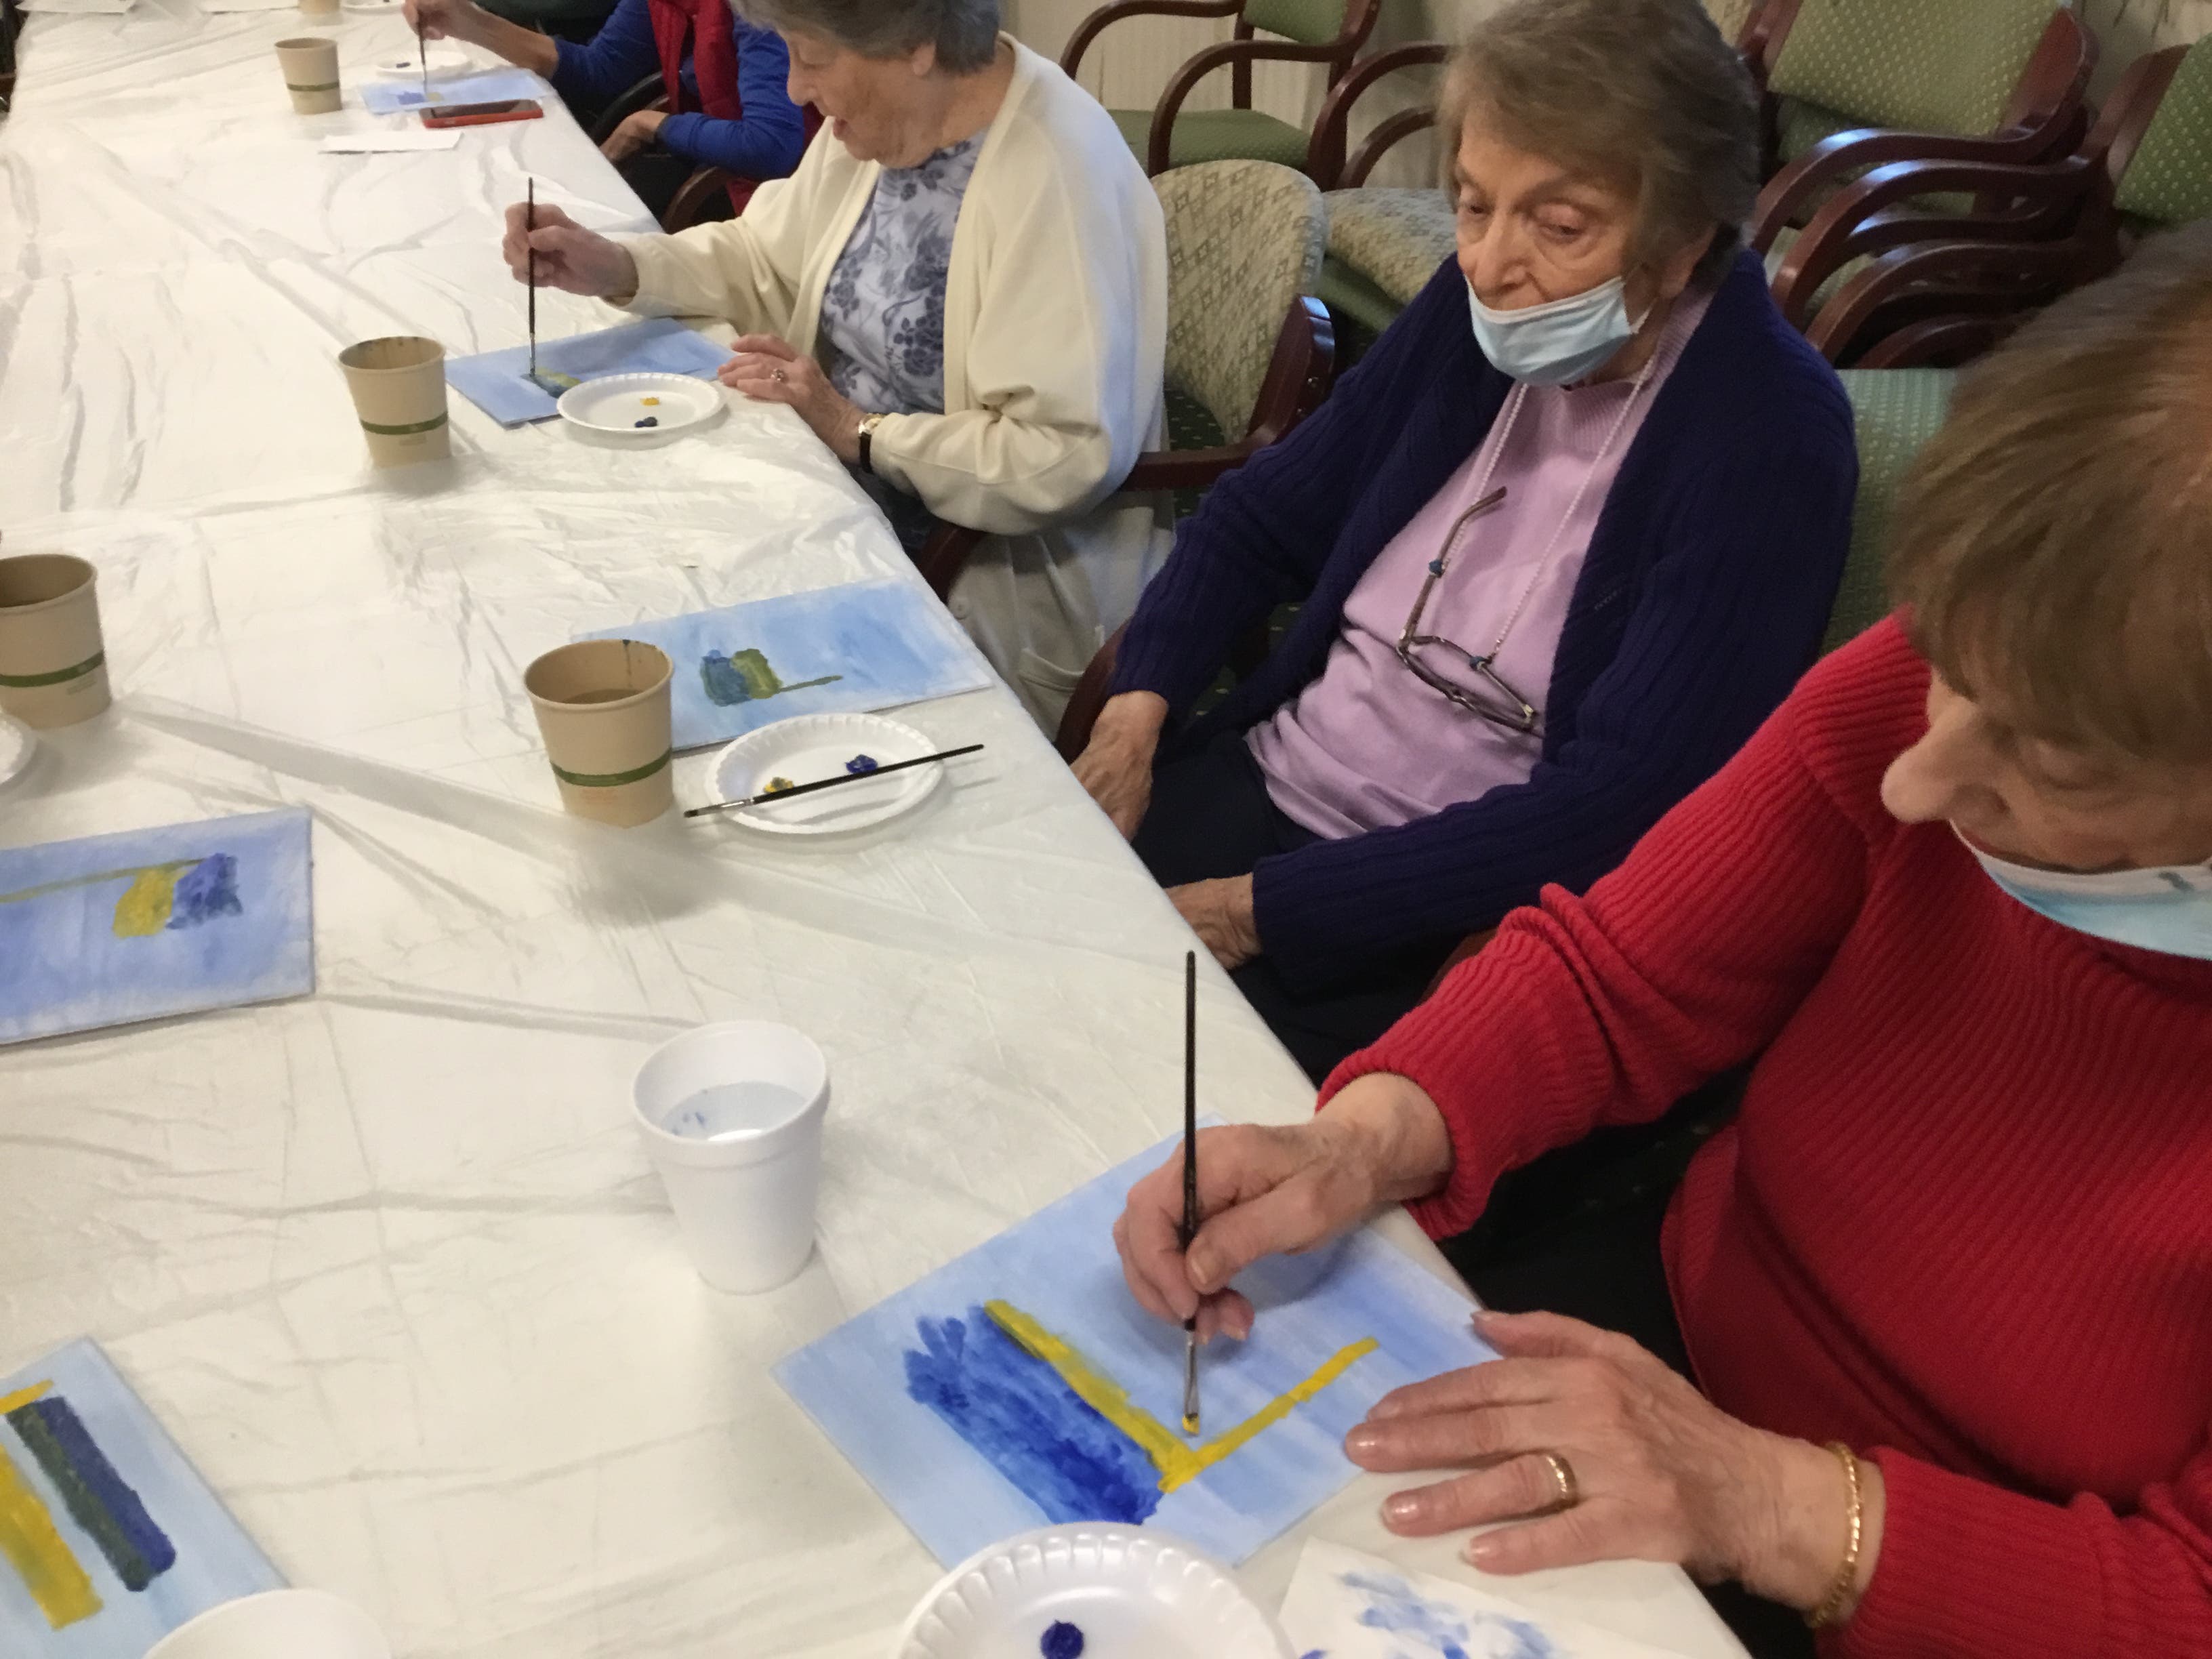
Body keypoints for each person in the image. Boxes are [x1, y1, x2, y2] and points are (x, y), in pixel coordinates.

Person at [1113, 226, 2212, 1658]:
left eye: (2051, 764)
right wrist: (1362, 1139)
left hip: (1973, 1578)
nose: (1916, 780)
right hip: (1677, 1330)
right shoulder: (1966, 678)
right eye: (1943, 660)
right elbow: (1620, 972)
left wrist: (1760, 1500)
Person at [1070, 0, 1855, 1084]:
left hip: (1437, 912)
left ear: (1684, 243)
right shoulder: (1479, 315)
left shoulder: (1768, 437)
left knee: (1126, 1097)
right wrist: (1136, 714)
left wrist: (1260, 911)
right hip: (1269, 779)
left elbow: (1619, 806)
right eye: (1475, 205)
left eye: (1559, 225)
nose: (1489, 263)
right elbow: (1262, 516)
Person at [499, 0, 1169, 728]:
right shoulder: (888, 119)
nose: (794, 88)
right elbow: (764, 255)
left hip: (975, 569)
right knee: (603, 564)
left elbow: (1058, 454)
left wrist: (858, 430)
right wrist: (619, 264)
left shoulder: (1055, 176)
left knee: (679, 687)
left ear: (917, 44)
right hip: (843, 496)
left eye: (812, 58)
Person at [405, 0, 806, 223]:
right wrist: (471, 23)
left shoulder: (759, 10)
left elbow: (771, 146)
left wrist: (651, 124)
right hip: (712, 163)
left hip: (768, 202)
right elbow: (599, 71)